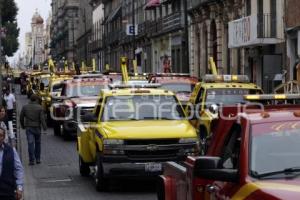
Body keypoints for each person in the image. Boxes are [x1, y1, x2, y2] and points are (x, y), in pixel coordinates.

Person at [20, 94, 47, 165]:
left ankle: (31, 160)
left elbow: (21, 117)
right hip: (37, 128)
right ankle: (38, 159)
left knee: (30, 143)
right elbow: (42, 119)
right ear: (36, 100)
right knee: (38, 143)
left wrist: (23, 126)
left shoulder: (25, 107)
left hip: (29, 128)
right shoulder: (40, 107)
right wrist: (44, 128)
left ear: (30, 99)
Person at [0, 126, 24, 200]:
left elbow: (18, 169)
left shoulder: (11, 151)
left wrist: (19, 188)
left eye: (0, 135)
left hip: (7, 192)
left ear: (3, 137)